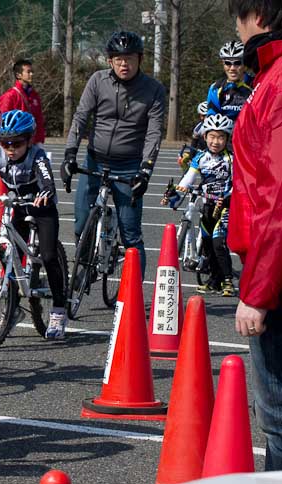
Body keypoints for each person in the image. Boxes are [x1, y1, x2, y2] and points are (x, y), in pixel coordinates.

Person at [60, 31, 166, 276]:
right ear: (109, 61)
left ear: (140, 59)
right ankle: (84, 270)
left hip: (129, 165)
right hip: (95, 161)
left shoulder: (153, 89)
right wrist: (69, 154)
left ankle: (134, 298)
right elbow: (81, 117)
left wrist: (146, 169)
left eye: (129, 58)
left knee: (131, 234)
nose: (123, 64)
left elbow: (153, 132)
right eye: (117, 58)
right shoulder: (98, 81)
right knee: (81, 222)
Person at [227, 0, 282, 471]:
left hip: (277, 275)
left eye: (238, 19)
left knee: (279, 422)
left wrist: (258, 292)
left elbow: (277, 199)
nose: (239, 31)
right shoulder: (269, 78)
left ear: (259, 16)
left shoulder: (277, 84)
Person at [0, 110, 66, 338]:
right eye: (5, 143)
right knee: (8, 254)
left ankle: (59, 311)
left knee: (49, 256)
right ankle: (13, 305)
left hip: (43, 209)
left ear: (29, 140)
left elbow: (46, 179)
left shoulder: (37, 156)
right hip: (18, 208)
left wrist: (45, 191)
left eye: (17, 143)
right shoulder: (0, 156)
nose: (11, 149)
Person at [161, 113, 235, 296]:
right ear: (205, 137)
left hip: (225, 206)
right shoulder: (200, 158)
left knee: (219, 243)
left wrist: (227, 197)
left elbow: (238, 183)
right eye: (212, 136)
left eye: (220, 137)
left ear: (227, 138)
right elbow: (188, 178)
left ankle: (228, 281)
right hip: (207, 205)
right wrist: (175, 192)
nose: (215, 141)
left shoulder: (231, 158)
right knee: (209, 244)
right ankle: (214, 280)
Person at [0, 59, 46, 146]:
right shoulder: (10, 96)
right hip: (16, 143)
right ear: (18, 75)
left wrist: (39, 140)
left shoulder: (34, 95)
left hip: (32, 142)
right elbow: (2, 121)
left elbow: (39, 120)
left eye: (32, 72)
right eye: (28, 72)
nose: (31, 74)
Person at [206, 40, 254, 122]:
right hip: (226, 133)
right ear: (223, 64)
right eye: (228, 63)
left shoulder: (255, 85)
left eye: (237, 63)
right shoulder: (216, 88)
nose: (232, 68)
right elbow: (212, 119)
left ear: (245, 64)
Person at [177, 101, 209, 172]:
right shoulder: (198, 128)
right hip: (201, 152)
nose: (203, 118)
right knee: (183, 159)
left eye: (206, 115)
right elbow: (194, 143)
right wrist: (191, 157)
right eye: (202, 115)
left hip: (215, 153)